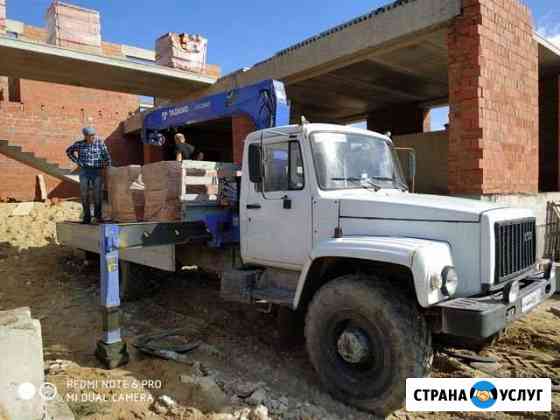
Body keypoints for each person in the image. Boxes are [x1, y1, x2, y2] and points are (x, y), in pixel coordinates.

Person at [66, 127, 111, 224]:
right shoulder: (79, 144)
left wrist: (109, 167)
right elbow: (69, 151)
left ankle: (97, 217)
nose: (93, 137)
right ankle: (87, 217)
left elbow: (106, 156)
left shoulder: (100, 143)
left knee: (97, 195)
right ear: (85, 136)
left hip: (97, 171)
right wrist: (77, 161)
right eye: (90, 136)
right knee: (84, 194)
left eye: (94, 135)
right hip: (84, 172)